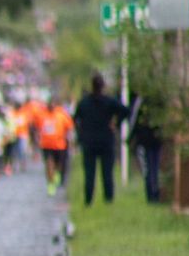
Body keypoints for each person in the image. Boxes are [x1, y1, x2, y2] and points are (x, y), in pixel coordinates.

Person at [73, 73, 130, 206]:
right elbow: (125, 111)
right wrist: (116, 123)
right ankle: (108, 199)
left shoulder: (84, 102)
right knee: (107, 173)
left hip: (89, 141)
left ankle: (88, 200)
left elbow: (75, 119)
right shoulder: (109, 101)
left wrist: (81, 134)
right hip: (105, 140)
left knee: (89, 174)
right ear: (103, 86)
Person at [128, 94, 163, 203]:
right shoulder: (160, 102)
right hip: (156, 139)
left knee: (148, 168)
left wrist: (130, 138)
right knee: (155, 168)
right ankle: (155, 195)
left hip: (145, 140)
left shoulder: (142, 102)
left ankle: (150, 196)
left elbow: (135, 121)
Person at [36, 96, 74, 196]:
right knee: (49, 165)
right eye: (50, 104)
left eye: (54, 104)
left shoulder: (62, 115)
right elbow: (38, 128)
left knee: (58, 165)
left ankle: (56, 175)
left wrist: (70, 141)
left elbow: (69, 128)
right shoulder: (42, 115)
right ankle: (50, 184)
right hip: (46, 145)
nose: (51, 106)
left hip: (60, 145)